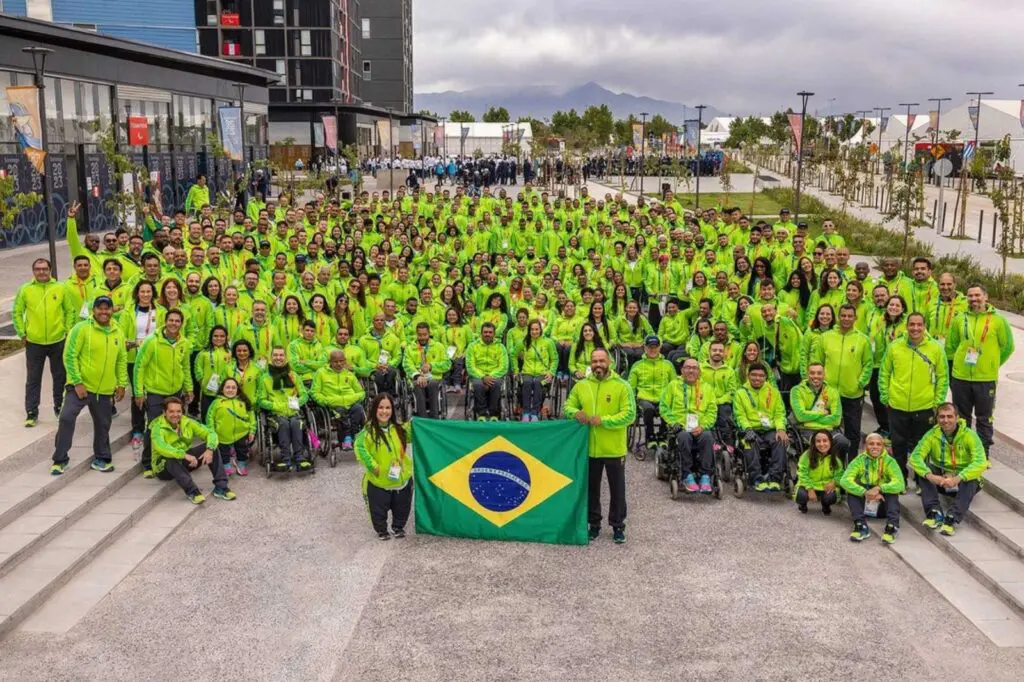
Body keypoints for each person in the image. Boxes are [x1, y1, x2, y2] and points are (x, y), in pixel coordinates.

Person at [563, 348, 636, 544]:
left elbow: (629, 415)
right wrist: (574, 413)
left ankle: (618, 526)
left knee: (617, 490)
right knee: (591, 489)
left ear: (609, 362)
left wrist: (603, 420)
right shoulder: (582, 386)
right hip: (590, 448)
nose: (598, 365)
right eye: (594, 361)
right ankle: (593, 525)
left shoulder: (622, 386)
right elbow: (568, 405)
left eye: (601, 361)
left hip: (613, 448)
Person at [50, 296, 128, 475]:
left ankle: (101, 458)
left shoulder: (118, 331)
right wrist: (77, 382)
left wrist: (122, 383)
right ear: (93, 310)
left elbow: (121, 359)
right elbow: (70, 356)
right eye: (99, 308)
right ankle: (60, 459)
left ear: (111, 310)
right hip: (80, 387)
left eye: (107, 308)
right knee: (67, 418)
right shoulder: (81, 328)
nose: (103, 312)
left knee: (103, 424)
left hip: (105, 390)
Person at [879, 312, 948, 482]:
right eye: (912, 324)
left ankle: (920, 480)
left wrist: (937, 402)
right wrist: (885, 395)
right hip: (897, 405)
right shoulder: (894, 346)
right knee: (898, 445)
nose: (915, 328)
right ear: (907, 326)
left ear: (925, 327)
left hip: (924, 406)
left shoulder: (936, 348)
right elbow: (884, 372)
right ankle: (899, 477)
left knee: (921, 447)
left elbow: (942, 377)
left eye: (919, 325)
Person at [945, 284, 1014, 454]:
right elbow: (951, 346)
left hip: (985, 378)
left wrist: (992, 363)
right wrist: (958, 365)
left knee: (984, 418)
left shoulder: (998, 320)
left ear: (986, 297)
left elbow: (1008, 347)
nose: (974, 299)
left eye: (977, 295)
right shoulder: (960, 318)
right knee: (961, 417)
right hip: (961, 377)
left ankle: (983, 452)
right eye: (970, 296)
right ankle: (963, 450)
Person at [910, 403, 989, 536]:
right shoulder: (931, 434)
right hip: (941, 481)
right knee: (924, 471)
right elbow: (915, 457)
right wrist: (932, 476)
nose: (945, 420)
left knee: (972, 477)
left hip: (962, 482)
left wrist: (957, 478)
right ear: (937, 418)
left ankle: (952, 518)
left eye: (949, 416)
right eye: (941, 417)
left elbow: (981, 462)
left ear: (957, 418)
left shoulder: (970, 435)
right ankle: (934, 513)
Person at [133, 309, 193, 478]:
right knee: (154, 427)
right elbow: (139, 367)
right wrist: (139, 392)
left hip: (176, 391)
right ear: (165, 321)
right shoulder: (152, 341)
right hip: (155, 392)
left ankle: (171, 459)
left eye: (177, 321)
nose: (174, 323)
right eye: (171, 320)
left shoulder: (184, 343)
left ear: (181, 324)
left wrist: (189, 388)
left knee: (175, 428)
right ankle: (148, 463)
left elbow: (186, 367)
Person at [15, 258, 71, 427]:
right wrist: (22, 333)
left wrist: (67, 331)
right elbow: (17, 312)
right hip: (34, 342)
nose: (41, 272)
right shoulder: (25, 290)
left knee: (60, 376)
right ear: (33, 271)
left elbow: (69, 311)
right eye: (38, 269)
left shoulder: (60, 288)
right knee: (33, 378)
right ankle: (32, 412)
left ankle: (59, 407)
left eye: (44, 269)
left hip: (57, 341)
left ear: (50, 270)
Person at [811, 303, 872, 455]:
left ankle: (850, 463)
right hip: (828, 393)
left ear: (855, 318)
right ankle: (829, 462)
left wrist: (860, 383)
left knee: (853, 430)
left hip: (852, 394)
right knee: (826, 430)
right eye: (843, 315)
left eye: (849, 316)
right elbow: (817, 361)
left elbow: (868, 364)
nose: (846, 319)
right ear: (838, 317)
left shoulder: (862, 340)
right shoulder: (826, 337)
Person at [151, 396, 235, 504]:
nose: (175, 415)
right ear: (164, 412)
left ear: (182, 412)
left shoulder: (187, 422)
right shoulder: (157, 427)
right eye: (171, 411)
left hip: (185, 460)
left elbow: (210, 433)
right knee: (170, 458)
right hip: (163, 468)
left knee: (212, 446)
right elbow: (162, 448)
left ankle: (221, 487)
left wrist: (209, 449)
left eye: (178, 411)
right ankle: (192, 491)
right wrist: (184, 455)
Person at [355, 392, 413, 540]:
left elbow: (414, 434)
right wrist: (373, 466)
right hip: (379, 481)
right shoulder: (368, 431)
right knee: (378, 510)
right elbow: (360, 447)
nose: (384, 411)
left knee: (403, 507)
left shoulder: (398, 429)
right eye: (380, 407)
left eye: (388, 408)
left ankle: (398, 527)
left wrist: (418, 425)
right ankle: (382, 530)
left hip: (402, 478)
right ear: (374, 409)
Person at [661, 358, 717, 494]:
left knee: (708, 437)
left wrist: (703, 426)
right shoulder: (673, 386)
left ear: (699, 371)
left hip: (700, 427)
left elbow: (712, 411)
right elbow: (664, 407)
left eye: (694, 368)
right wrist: (675, 423)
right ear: (682, 370)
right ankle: (687, 475)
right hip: (680, 427)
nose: (691, 370)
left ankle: (705, 476)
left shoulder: (707, 388)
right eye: (688, 367)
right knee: (684, 437)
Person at [841, 432, 905, 544]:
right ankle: (861, 526)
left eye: (878, 444)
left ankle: (892, 527)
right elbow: (844, 480)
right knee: (852, 492)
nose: (875, 447)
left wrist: (880, 488)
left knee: (892, 492)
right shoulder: (859, 460)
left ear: (883, 447)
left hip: (882, 505)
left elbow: (900, 484)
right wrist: (864, 492)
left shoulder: (890, 461)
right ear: (865, 446)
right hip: (865, 503)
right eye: (871, 444)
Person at [733, 363, 788, 492]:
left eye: (761, 376)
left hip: (769, 429)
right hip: (750, 429)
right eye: (754, 375)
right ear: (748, 376)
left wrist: (781, 429)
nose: (757, 378)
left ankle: (775, 478)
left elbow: (780, 413)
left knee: (780, 440)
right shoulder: (740, 393)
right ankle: (756, 478)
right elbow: (740, 415)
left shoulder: (773, 392)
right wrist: (747, 429)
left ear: (766, 377)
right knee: (749, 442)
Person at [257, 346, 311, 471]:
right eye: (275, 355)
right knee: (283, 424)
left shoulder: (294, 376)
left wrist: (297, 402)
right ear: (271, 358)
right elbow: (260, 400)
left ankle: (299, 458)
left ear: (286, 358)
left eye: (281, 355)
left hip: (293, 412)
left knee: (296, 423)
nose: (278, 358)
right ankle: (285, 459)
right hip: (275, 414)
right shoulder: (265, 378)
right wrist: (276, 406)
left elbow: (304, 395)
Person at [790, 363, 851, 461]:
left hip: (829, 430)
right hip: (807, 430)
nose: (816, 376)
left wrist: (808, 418)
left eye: (819, 373)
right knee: (821, 444)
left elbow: (836, 420)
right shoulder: (796, 391)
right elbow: (800, 416)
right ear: (807, 374)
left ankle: (839, 471)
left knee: (843, 442)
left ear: (824, 375)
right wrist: (822, 413)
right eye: (812, 373)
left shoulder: (833, 392)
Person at [627, 335, 676, 453]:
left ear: (659, 348)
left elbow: (674, 384)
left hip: (663, 397)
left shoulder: (668, 365)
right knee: (648, 409)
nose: (652, 350)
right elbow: (631, 386)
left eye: (655, 347)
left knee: (666, 408)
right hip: (644, 397)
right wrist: (631, 401)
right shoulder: (637, 366)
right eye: (650, 347)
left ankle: (662, 435)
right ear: (645, 348)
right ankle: (650, 437)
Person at [311, 350, 366, 451]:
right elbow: (314, 393)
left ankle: (351, 437)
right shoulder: (321, 373)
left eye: (341, 361)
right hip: (333, 405)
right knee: (340, 412)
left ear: (345, 361)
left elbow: (361, 392)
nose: (339, 364)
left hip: (350, 402)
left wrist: (351, 399)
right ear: (330, 362)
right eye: (335, 361)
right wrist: (326, 401)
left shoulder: (349, 374)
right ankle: (345, 439)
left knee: (358, 408)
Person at [205, 377, 255, 478]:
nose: (230, 390)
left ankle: (241, 462)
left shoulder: (243, 401)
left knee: (242, 449)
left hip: (242, 433)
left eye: (233, 387)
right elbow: (209, 419)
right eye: (227, 387)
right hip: (222, 434)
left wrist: (252, 430)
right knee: (223, 451)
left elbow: (251, 417)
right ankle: (226, 464)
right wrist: (212, 433)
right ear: (222, 389)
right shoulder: (216, 403)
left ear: (237, 389)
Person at [403, 322, 451, 419]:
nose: (422, 337)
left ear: (429, 333)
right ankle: (422, 418)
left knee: (433, 384)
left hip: (434, 378)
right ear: (416, 334)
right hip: (417, 379)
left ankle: (434, 418)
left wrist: (431, 366)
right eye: (420, 335)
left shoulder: (439, 346)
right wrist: (417, 376)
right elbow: (407, 365)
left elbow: (447, 364)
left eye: (425, 334)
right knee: (418, 384)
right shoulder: (409, 349)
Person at [513, 319, 557, 421]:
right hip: (527, 372)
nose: (534, 332)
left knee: (538, 383)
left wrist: (551, 372)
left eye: (536, 329)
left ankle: (535, 412)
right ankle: (526, 411)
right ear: (529, 330)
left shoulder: (548, 342)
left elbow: (554, 359)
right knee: (526, 382)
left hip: (543, 373)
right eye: (532, 329)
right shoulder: (523, 342)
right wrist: (515, 370)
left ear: (540, 330)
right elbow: (513, 355)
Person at [465, 322, 509, 421]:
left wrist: (490, 376)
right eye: (485, 332)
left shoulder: (501, 347)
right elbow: (470, 366)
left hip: (495, 375)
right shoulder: (472, 346)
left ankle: (494, 414)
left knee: (496, 384)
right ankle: (481, 414)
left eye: (490, 332)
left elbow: (504, 366)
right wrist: (482, 377)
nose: (487, 334)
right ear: (481, 333)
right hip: (478, 375)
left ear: (494, 334)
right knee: (478, 385)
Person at [794, 430, 844, 515]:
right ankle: (802, 504)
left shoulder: (835, 458)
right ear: (814, 443)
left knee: (830, 498)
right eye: (818, 441)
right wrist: (810, 489)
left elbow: (840, 475)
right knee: (801, 496)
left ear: (830, 442)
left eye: (825, 441)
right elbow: (802, 472)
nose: (821, 444)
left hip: (826, 487)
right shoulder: (807, 455)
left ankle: (826, 505)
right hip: (809, 485)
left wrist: (834, 482)